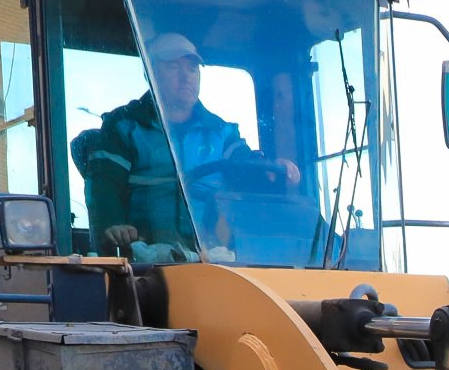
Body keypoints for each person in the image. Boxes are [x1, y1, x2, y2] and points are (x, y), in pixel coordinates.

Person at [72, 31, 297, 258]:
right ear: (150, 72)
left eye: (192, 68)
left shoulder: (221, 131)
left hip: (212, 256)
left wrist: (270, 170)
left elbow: (243, 165)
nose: (186, 77)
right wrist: (113, 224)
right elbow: (105, 183)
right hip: (145, 260)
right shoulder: (124, 127)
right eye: (173, 67)